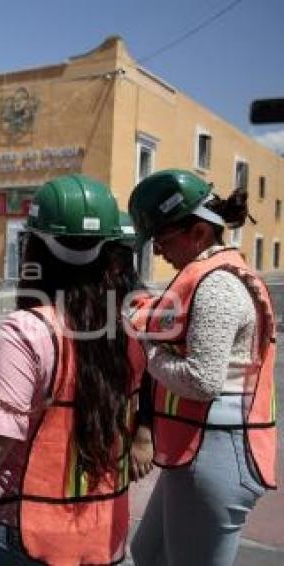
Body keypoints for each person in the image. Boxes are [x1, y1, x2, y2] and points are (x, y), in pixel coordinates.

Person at [0, 174, 148, 564]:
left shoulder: (26, 332)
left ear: (34, 250)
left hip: (24, 531)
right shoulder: (127, 333)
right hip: (101, 530)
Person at [127, 169, 277, 566]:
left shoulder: (217, 286)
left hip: (215, 455)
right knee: (149, 554)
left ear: (198, 232)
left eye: (162, 239)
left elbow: (203, 380)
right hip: (196, 451)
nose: (158, 251)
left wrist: (150, 349)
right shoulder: (205, 278)